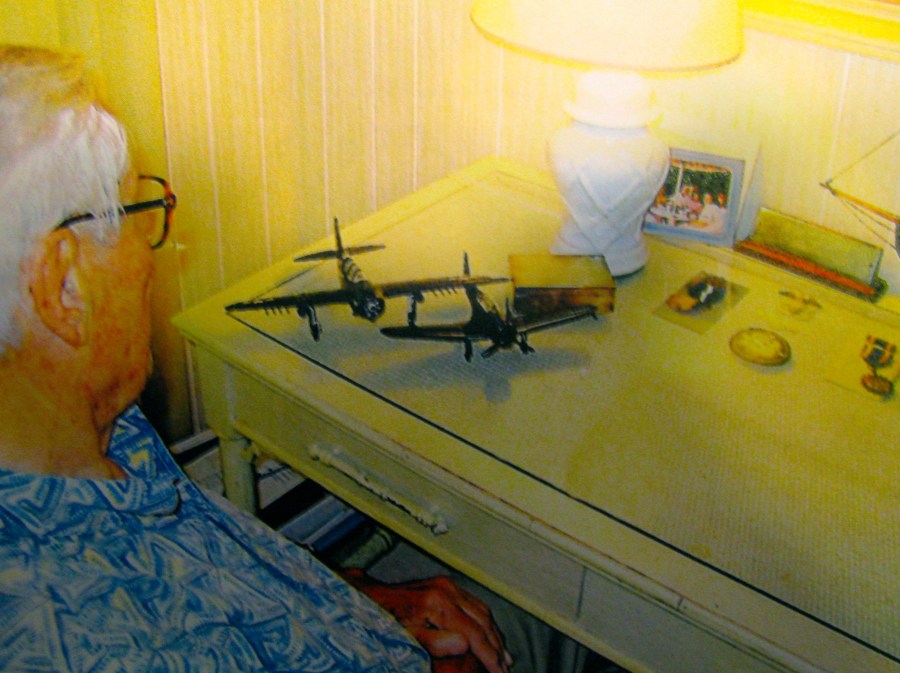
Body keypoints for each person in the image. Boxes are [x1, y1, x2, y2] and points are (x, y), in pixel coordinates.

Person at [0, 45, 608, 673]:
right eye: (138, 213)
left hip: (345, 603)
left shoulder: (85, 430)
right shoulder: (65, 632)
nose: (155, 250)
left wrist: (359, 593)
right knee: (584, 616)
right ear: (63, 288)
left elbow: (217, 570)